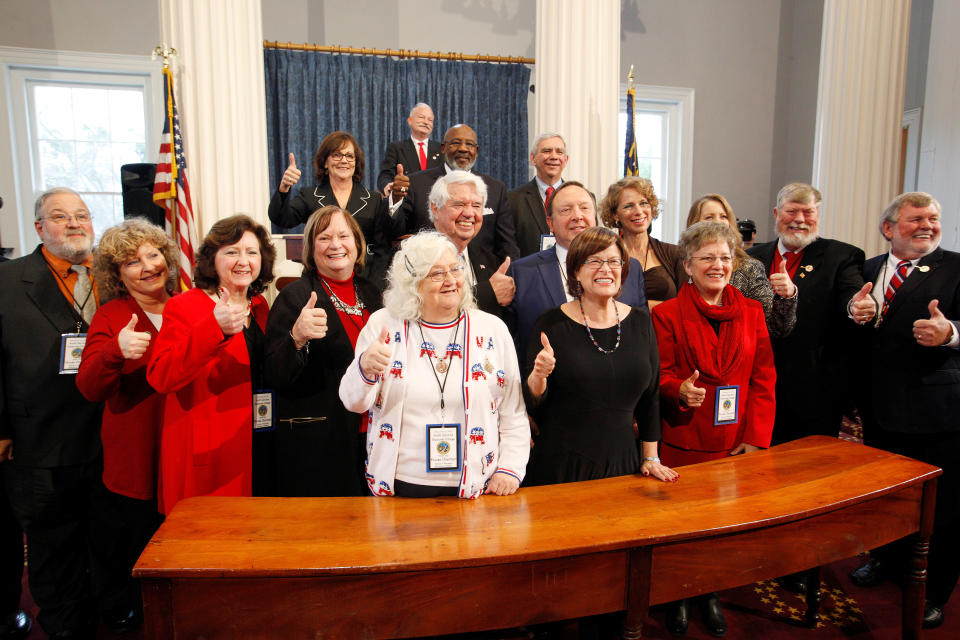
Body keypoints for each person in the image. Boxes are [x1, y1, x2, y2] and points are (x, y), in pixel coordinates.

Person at [652, 221, 776, 637]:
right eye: (707, 257)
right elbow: (662, 375)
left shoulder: (753, 312)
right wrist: (677, 390)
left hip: (733, 442)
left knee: (721, 526)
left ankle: (711, 592)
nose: (717, 265)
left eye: (725, 257)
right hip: (683, 437)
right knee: (681, 526)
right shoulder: (667, 314)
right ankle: (677, 594)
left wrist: (756, 439)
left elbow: (763, 378)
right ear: (688, 265)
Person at [339, 231, 529, 498]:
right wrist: (366, 368)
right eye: (437, 274)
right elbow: (353, 402)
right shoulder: (383, 324)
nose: (451, 280)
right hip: (399, 487)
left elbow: (513, 411)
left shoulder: (492, 329)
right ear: (413, 283)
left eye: (455, 269)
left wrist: (509, 468)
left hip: (477, 488)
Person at [846, 192, 959, 629]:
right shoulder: (869, 269)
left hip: (938, 413)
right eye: (915, 219)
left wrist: (950, 331)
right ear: (889, 228)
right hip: (878, 412)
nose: (927, 225)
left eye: (933, 218)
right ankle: (885, 561)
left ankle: (935, 590)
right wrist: (852, 309)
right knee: (888, 497)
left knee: (943, 507)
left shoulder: (957, 267)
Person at [0, 187, 102, 637]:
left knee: (102, 540)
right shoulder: (8, 282)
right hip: (40, 441)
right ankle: (64, 626)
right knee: (53, 546)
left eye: (82, 215)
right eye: (61, 217)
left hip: (107, 437)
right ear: (39, 228)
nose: (75, 223)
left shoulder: (114, 275)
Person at [76, 218, 177, 631]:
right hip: (137, 460)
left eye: (153, 255)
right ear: (117, 273)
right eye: (132, 262)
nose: (147, 266)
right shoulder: (112, 315)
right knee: (140, 550)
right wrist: (115, 351)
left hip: (181, 450)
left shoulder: (188, 304)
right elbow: (88, 387)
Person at [523, 226, 677, 486]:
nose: (605, 269)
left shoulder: (640, 321)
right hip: (562, 467)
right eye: (593, 261)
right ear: (575, 271)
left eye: (613, 261)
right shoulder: (550, 324)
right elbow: (533, 400)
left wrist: (651, 458)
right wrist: (539, 375)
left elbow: (650, 397)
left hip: (624, 463)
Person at [147, 215, 275, 514]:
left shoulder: (259, 307)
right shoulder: (185, 305)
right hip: (209, 455)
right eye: (231, 252)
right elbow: (161, 377)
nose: (243, 261)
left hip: (258, 442)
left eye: (251, 252)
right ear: (212, 259)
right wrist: (212, 328)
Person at [264, 206, 381, 496]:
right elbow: (274, 375)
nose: (336, 245)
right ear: (310, 247)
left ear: (357, 243)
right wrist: (297, 338)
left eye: (343, 235)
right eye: (324, 237)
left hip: (378, 437)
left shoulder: (375, 294)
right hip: (322, 444)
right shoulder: (295, 297)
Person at [747, 183, 865, 445]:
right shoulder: (750, 257)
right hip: (756, 384)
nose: (800, 220)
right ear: (776, 214)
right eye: (792, 211)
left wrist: (855, 307)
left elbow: (851, 295)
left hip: (815, 387)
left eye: (808, 212)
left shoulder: (842, 256)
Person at [507, 181, 647, 356]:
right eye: (566, 210)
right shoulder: (522, 272)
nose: (577, 216)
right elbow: (512, 344)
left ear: (595, 216)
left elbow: (642, 337)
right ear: (550, 223)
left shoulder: (630, 268)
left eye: (584, 208)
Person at [268, 131, 396, 284]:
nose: (344, 161)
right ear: (325, 163)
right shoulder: (310, 196)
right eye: (337, 155)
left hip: (364, 282)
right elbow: (281, 218)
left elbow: (382, 250)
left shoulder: (374, 200)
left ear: (356, 163)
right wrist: (284, 187)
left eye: (349, 156)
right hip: (319, 282)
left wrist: (375, 287)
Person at [394, 123, 519, 261]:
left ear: (476, 151)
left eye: (470, 145)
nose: (463, 149)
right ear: (443, 148)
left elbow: (507, 245)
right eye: (456, 143)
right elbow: (395, 232)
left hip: (480, 276)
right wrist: (395, 200)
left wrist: (511, 276)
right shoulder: (415, 183)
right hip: (429, 272)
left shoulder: (496, 189)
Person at [687, 193, 797, 338]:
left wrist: (787, 296)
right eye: (709, 217)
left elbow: (776, 327)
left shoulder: (750, 267)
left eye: (723, 217)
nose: (718, 222)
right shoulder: (683, 262)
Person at [429, 170, 513, 317]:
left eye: (476, 206)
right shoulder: (416, 257)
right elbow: (430, 308)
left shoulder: (489, 261)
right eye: (459, 204)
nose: (469, 213)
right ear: (435, 209)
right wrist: (488, 293)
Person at [600, 177, 684, 308]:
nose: (639, 212)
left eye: (644, 203)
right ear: (615, 215)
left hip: (666, 328)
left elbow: (687, 305)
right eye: (629, 206)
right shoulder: (605, 256)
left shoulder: (674, 253)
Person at [508, 133, 568, 256]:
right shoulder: (512, 200)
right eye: (547, 151)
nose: (554, 156)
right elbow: (508, 247)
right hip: (528, 273)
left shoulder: (582, 199)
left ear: (566, 160)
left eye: (559, 152)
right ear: (532, 158)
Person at [376, 102, 442, 192]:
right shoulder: (396, 148)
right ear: (409, 120)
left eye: (430, 120)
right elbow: (385, 175)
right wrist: (388, 186)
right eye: (421, 117)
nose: (426, 122)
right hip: (406, 199)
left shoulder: (441, 149)